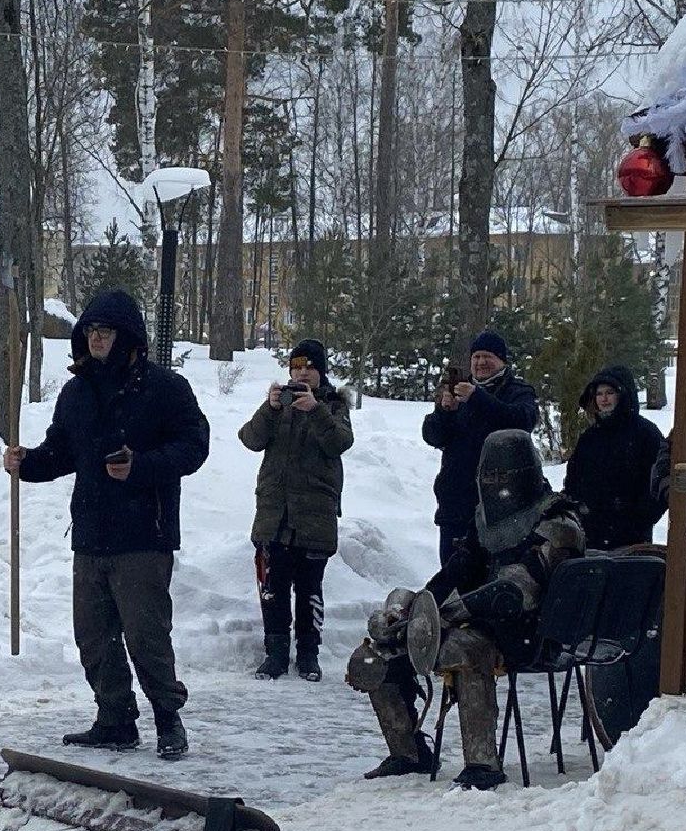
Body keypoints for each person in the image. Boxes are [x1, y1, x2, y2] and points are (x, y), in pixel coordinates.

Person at [3, 289, 209, 760]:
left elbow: (194, 446)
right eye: (91, 331)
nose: (96, 339)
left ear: (128, 336)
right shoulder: (77, 393)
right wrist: (27, 462)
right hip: (92, 533)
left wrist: (143, 466)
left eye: (106, 331)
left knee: (145, 634)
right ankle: (114, 718)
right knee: (93, 635)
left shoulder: (165, 388)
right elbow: (62, 452)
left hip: (144, 534)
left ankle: (167, 718)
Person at [347, 429, 584, 790]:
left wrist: (457, 611)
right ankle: (408, 753)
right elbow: (457, 570)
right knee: (379, 651)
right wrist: (415, 611)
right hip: (484, 620)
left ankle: (482, 764)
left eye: (504, 476)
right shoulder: (486, 520)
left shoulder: (557, 520)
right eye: (488, 475)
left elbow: (521, 590)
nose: (495, 484)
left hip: (533, 632)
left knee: (463, 649)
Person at [238, 339, 354, 682]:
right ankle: (275, 653)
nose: (302, 373)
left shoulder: (332, 406)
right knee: (272, 589)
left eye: (309, 367)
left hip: (315, 516)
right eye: (296, 366)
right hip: (276, 514)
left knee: (309, 590)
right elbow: (250, 439)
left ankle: (308, 653)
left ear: (321, 372)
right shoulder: (280, 405)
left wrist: (314, 410)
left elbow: (340, 443)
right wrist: (270, 408)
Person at [422, 330, 538, 565]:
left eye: (488, 357)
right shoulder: (459, 393)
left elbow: (522, 421)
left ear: (502, 361)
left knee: (492, 580)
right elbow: (433, 436)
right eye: (476, 357)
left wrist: (478, 397)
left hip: (502, 509)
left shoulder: (517, 391)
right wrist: (445, 412)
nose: (481, 363)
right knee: (452, 576)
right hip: (457, 505)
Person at [564, 366, 668, 551]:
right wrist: (575, 510)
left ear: (622, 394)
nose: (603, 399)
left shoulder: (645, 434)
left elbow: (660, 483)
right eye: (599, 394)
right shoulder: (589, 437)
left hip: (633, 540)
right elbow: (574, 480)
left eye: (610, 392)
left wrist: (640, 519)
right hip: (590, 536)